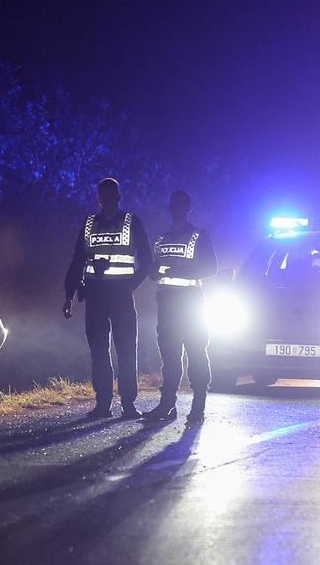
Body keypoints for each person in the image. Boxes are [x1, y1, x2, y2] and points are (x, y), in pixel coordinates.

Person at [64, 177, 153, 418]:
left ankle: (128, 404)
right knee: (99, 350)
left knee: (125, 349)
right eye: (103, 196)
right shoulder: (89, 222)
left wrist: (131, 286)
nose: (107, 200)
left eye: (111, 195)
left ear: (118, 197)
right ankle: (103, 404)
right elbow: (77, 260)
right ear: (99, 198)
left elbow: (147, 261)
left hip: (121, 295)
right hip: (95, 295)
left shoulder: (131, 222)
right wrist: (69, 295)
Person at [144, 190, 219, 423]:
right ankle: (167, 405)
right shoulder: (161, 239)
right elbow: (154, 269)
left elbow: (211, 268)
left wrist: (184, 271)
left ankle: (198, 407)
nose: (177, 208)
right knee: (170, 356)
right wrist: (153, 273)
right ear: (170, 208)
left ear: (188, 208)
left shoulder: (199, 236)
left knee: (196, 352)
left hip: (191, 303)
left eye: (181, 205)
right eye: (174, 205)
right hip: (167, 302)